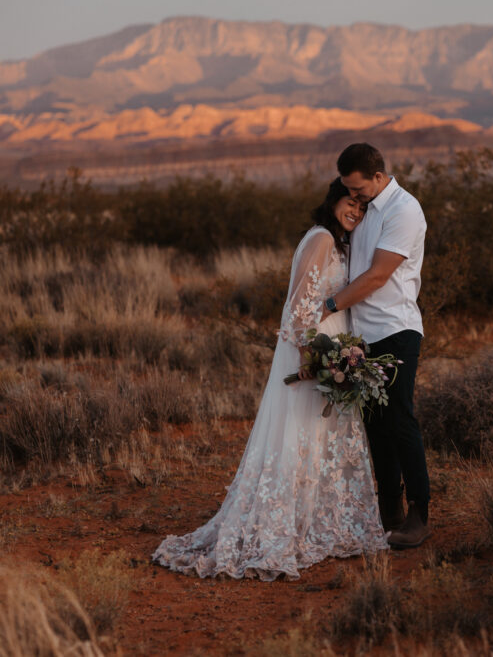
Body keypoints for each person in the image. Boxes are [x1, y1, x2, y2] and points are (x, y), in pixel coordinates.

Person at [152, 178, 388, 581]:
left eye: (362, 207)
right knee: (301, 431)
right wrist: (310, 354)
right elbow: (299, 305)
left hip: (327, 343)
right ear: (333, 200)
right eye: (350, 203)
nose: (356, 212)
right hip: (313, 348)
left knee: (316, 433)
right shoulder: (322, 241)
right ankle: (289, 521)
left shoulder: (331, 240)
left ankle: (311, 514)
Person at [325, 143, 431, 549]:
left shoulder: (404, 210)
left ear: (377, 176)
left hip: (396, 329)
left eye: (358, 188)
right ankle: (390, 511)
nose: (354, 196)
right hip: (361, 335)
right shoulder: (365, 207)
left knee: (400, 419)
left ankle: (420, 515)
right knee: (375, 424)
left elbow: (376, 276)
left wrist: (328, 306)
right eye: (347, 190)